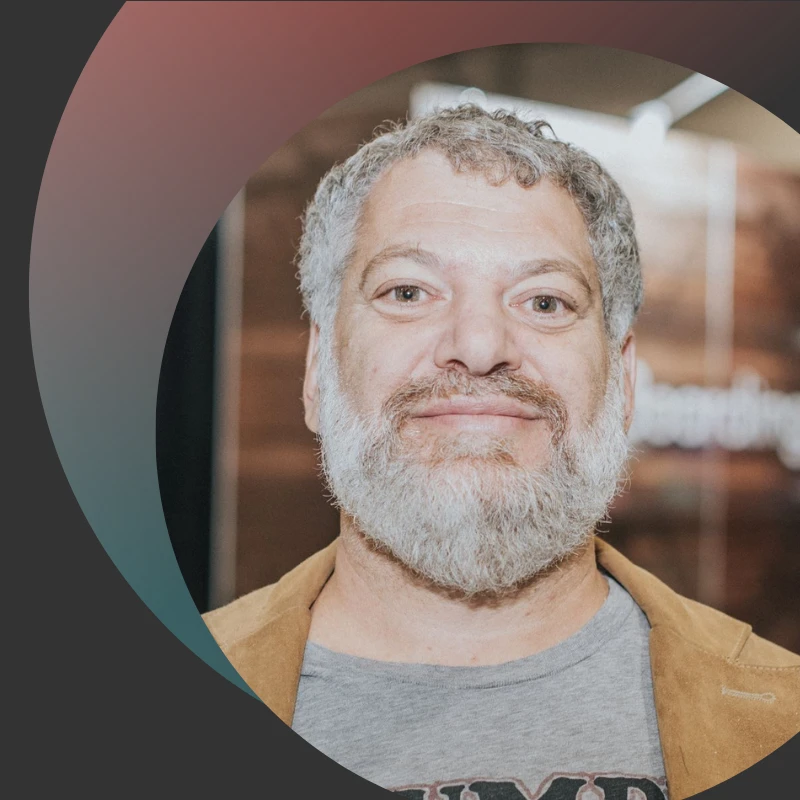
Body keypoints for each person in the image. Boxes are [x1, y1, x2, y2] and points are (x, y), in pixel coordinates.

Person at [203, 106, 799, 800]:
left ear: (624, 380)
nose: (481, 346)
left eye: (544, 302)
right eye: (408, 292)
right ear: (317, 369)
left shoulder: (778, 719)